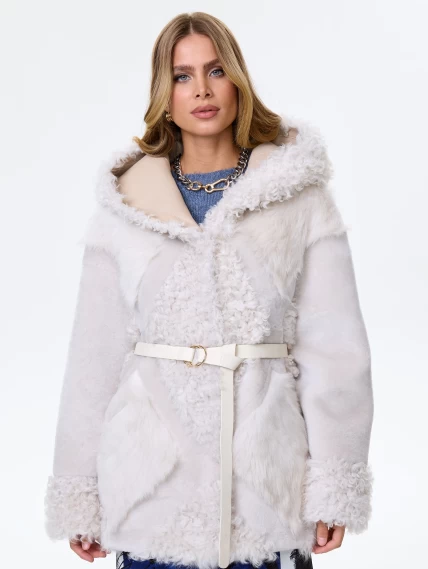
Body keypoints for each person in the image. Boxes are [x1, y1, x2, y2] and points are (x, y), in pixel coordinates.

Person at [44, 11, 374, 569]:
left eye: (216, 70)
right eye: (182, 75)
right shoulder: (125, 206)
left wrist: (336, 481)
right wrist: (80, 493)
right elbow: (92, 358)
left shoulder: (296, 197)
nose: (201, 89)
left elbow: (336, 351)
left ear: (237, 81)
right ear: (164, 94)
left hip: (266, 493)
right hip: (151, 494)